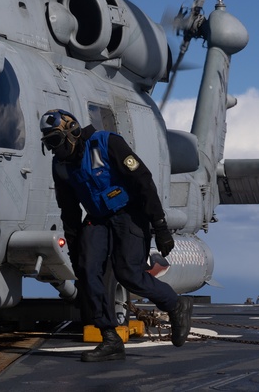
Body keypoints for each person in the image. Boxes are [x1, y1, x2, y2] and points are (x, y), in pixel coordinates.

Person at [39, 109, 193, 363]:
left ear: (72, 133)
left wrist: (160, 225)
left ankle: (175, 305)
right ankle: (110, 338)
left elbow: (143, 180)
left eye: (56, 142)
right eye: (49, 145)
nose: (55, 150)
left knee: (128, 273)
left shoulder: (107, 143)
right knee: (87, 272)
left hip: (130, 214)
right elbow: (68, 210)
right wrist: (76, 252)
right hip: (97, 218)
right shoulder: (61, 167)